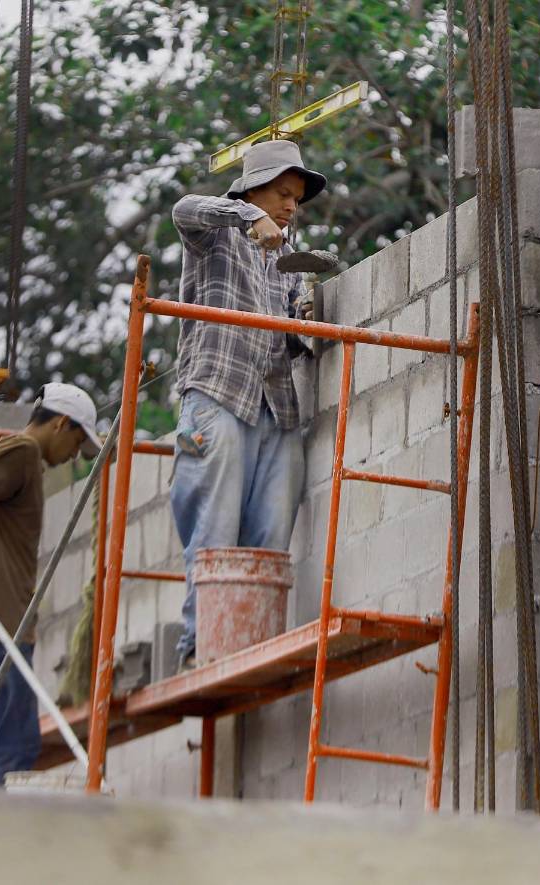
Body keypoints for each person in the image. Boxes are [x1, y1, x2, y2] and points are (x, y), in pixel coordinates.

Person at [169, 139, 328, 669]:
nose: (290, 207)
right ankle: (200, 644)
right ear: (252, 187)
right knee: (213, 527)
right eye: (282, 194)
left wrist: (304, 319)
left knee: (272, 530)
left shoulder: (284, 256)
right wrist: (245, 216)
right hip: (218, 395)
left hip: (275, 407)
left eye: (296, 200)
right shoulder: (214, 231)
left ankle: (249, 638)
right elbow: (183, 209)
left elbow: (288, 330)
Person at [0, 382, 101, 785]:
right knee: (14, 745)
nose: (72, 456)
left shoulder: (27, 461)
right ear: (61, 424)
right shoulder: (25, 450)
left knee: (12, 741)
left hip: (1, 626)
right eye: (75, 443)